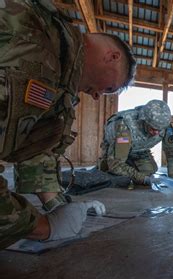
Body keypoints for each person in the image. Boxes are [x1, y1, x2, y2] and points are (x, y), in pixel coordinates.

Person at [0, 0, 137, 249]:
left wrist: (57, 205)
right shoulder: (36, 48)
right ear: (112, 56)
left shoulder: (58, 67)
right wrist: (40, 227)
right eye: (109, 89)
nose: (98, 96)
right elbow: (116, 161)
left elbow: (35, 145)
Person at [98, 100, 173, 184]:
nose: (156, 133)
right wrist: (143, 179)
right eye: (153, 128)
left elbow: (171, 153)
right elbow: (116, 164)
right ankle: (119, 162)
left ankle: (128, 163)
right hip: (116, 146)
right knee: (111, 175)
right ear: (144, 121)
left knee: (150, 170)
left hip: (139, 150)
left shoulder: (164, 125)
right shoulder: (125, 125)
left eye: (160, 130)